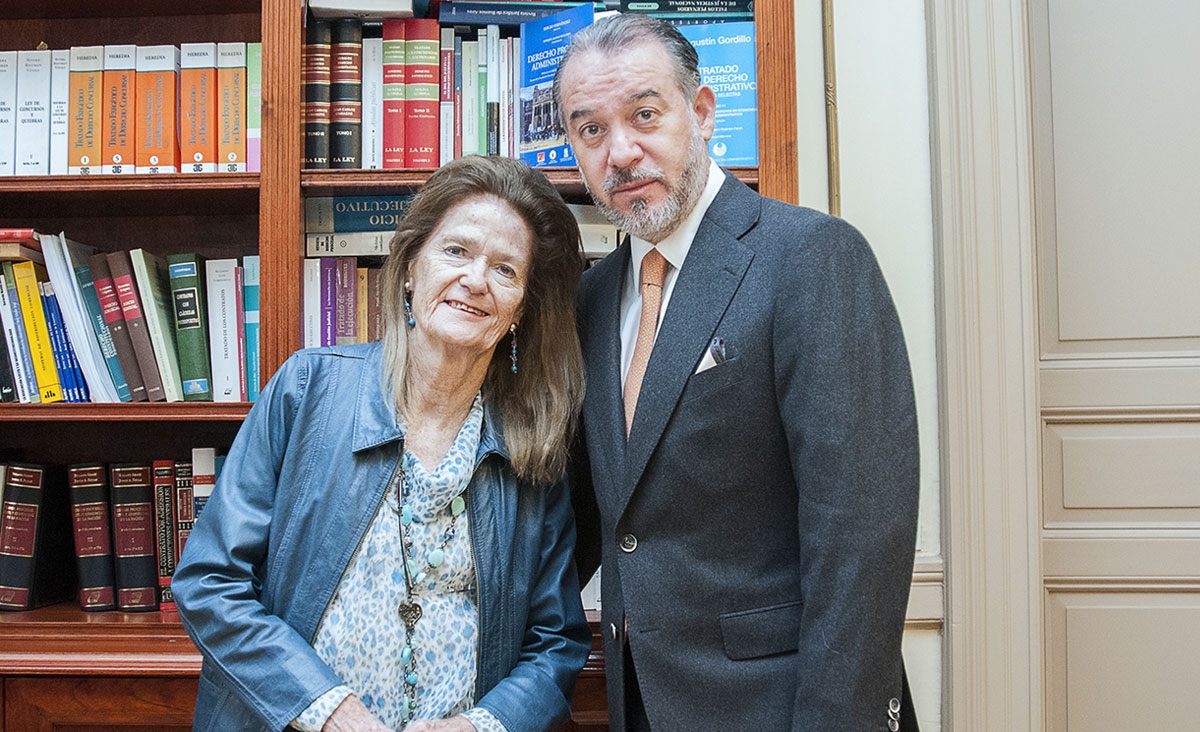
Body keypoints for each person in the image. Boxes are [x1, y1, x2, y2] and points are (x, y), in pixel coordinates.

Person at [554, 13, 921, 732]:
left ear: (702, 112)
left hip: (785, 706)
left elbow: (859, 542)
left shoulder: (811, 257)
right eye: (590, 129)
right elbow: (595, 520)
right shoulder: (590, 300)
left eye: (645, 114)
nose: (620, 152)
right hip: (644, 703)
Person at [173, 155, 591, 732]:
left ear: (520, 309)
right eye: (456, 251)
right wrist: (328, 712)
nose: (474, 280)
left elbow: (557, 643)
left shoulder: (533, 447)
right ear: (411, 268)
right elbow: (209, 581)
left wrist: (479, 727)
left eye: (505, 270)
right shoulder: (309, 388)